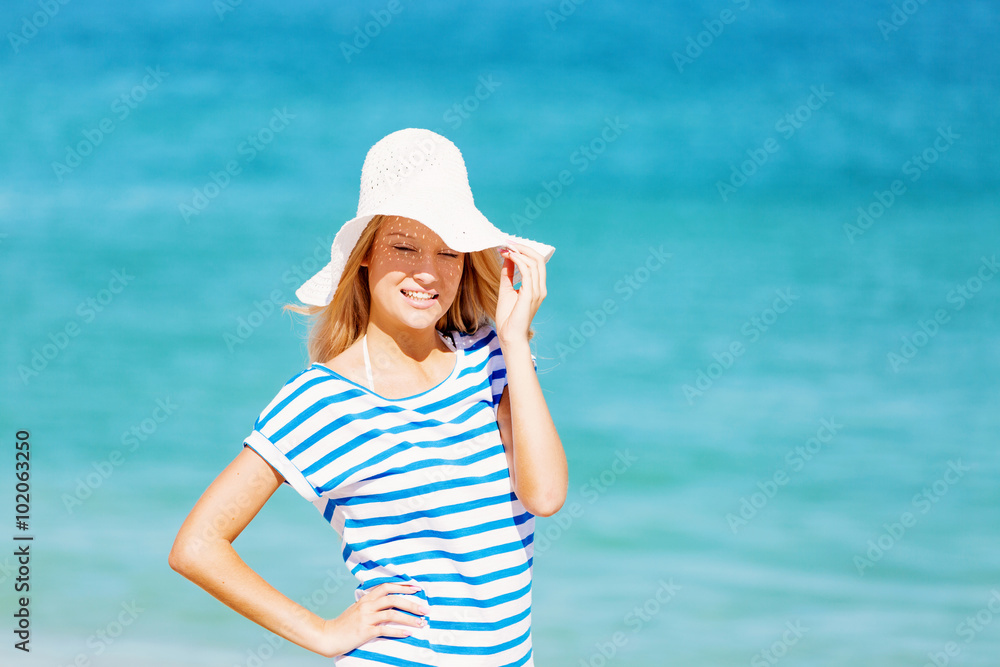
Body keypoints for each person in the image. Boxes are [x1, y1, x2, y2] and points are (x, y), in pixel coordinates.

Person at [169, 128, 567, 666]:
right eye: (404, 247)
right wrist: (324, 633)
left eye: (448, 253)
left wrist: (516, 342)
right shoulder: (322, 401)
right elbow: (197, 546)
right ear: (364, 255)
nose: (427, 272)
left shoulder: (492, 358)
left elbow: (544, 498)